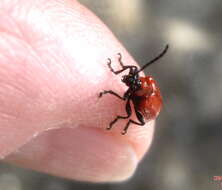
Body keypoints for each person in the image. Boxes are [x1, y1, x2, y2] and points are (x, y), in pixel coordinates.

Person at [0, 0, 154, 182]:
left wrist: (122, 118)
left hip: (145, 111)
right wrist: (118, 67)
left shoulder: (140, 99)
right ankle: (117, 78)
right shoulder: (143, 83)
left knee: (127, 110)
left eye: (134, 84)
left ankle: (121, 119)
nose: (131, 79)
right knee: (130, 78)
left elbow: (137, 112)